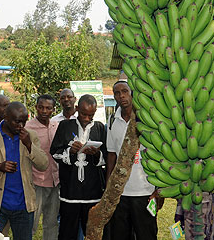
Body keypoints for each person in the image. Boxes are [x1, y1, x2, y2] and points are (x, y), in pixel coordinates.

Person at [0, 102, 48, 240]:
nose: (21, 126)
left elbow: (43, 164)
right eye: (17, 122)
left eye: (24, 122)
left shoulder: (29, 135)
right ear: (5, 117)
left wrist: (29, 145)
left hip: (24, 205)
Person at [50, 94, 107, 240]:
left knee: (91, 232)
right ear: (76, 109)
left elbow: (106, 157)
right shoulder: (65, 126)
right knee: (67, 232)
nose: (87, 118)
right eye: (83, 114)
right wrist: (70, 151)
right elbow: (54, 152)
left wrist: (96, 154)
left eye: (91, 115)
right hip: (70, 190)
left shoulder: (99, 128)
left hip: (92, 191)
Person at [107, 81, 157, 240]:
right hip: (121, 193)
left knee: (146, 235)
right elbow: (111, 155)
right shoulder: (112, 121)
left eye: (124, 91)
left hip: (145, 191)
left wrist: (159, 190)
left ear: (132, 93)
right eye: (117, 93)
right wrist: (109, 187)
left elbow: (158, 156)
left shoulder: (147, 120)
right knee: (120, 235)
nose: (121, 96)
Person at [25, 94, 59, 240]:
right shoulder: (28, 128)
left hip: (55, 181)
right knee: (31, 222)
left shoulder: (56, 126)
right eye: (41, 107)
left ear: (53, 109)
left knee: (51, 223)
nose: (44, 111)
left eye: (48, 108)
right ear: (36, 108)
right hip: (36, 182)